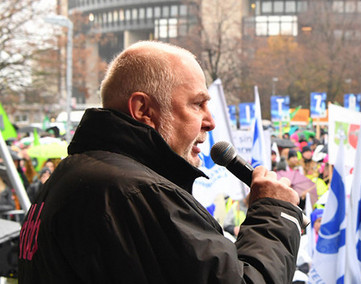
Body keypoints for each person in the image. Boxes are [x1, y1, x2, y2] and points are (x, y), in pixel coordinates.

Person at [18, 41, 303, 283]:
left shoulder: (75, 176)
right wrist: (274, 213)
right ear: (144, 109)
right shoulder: (134, 193)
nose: (210, 121)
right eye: (197, 104)